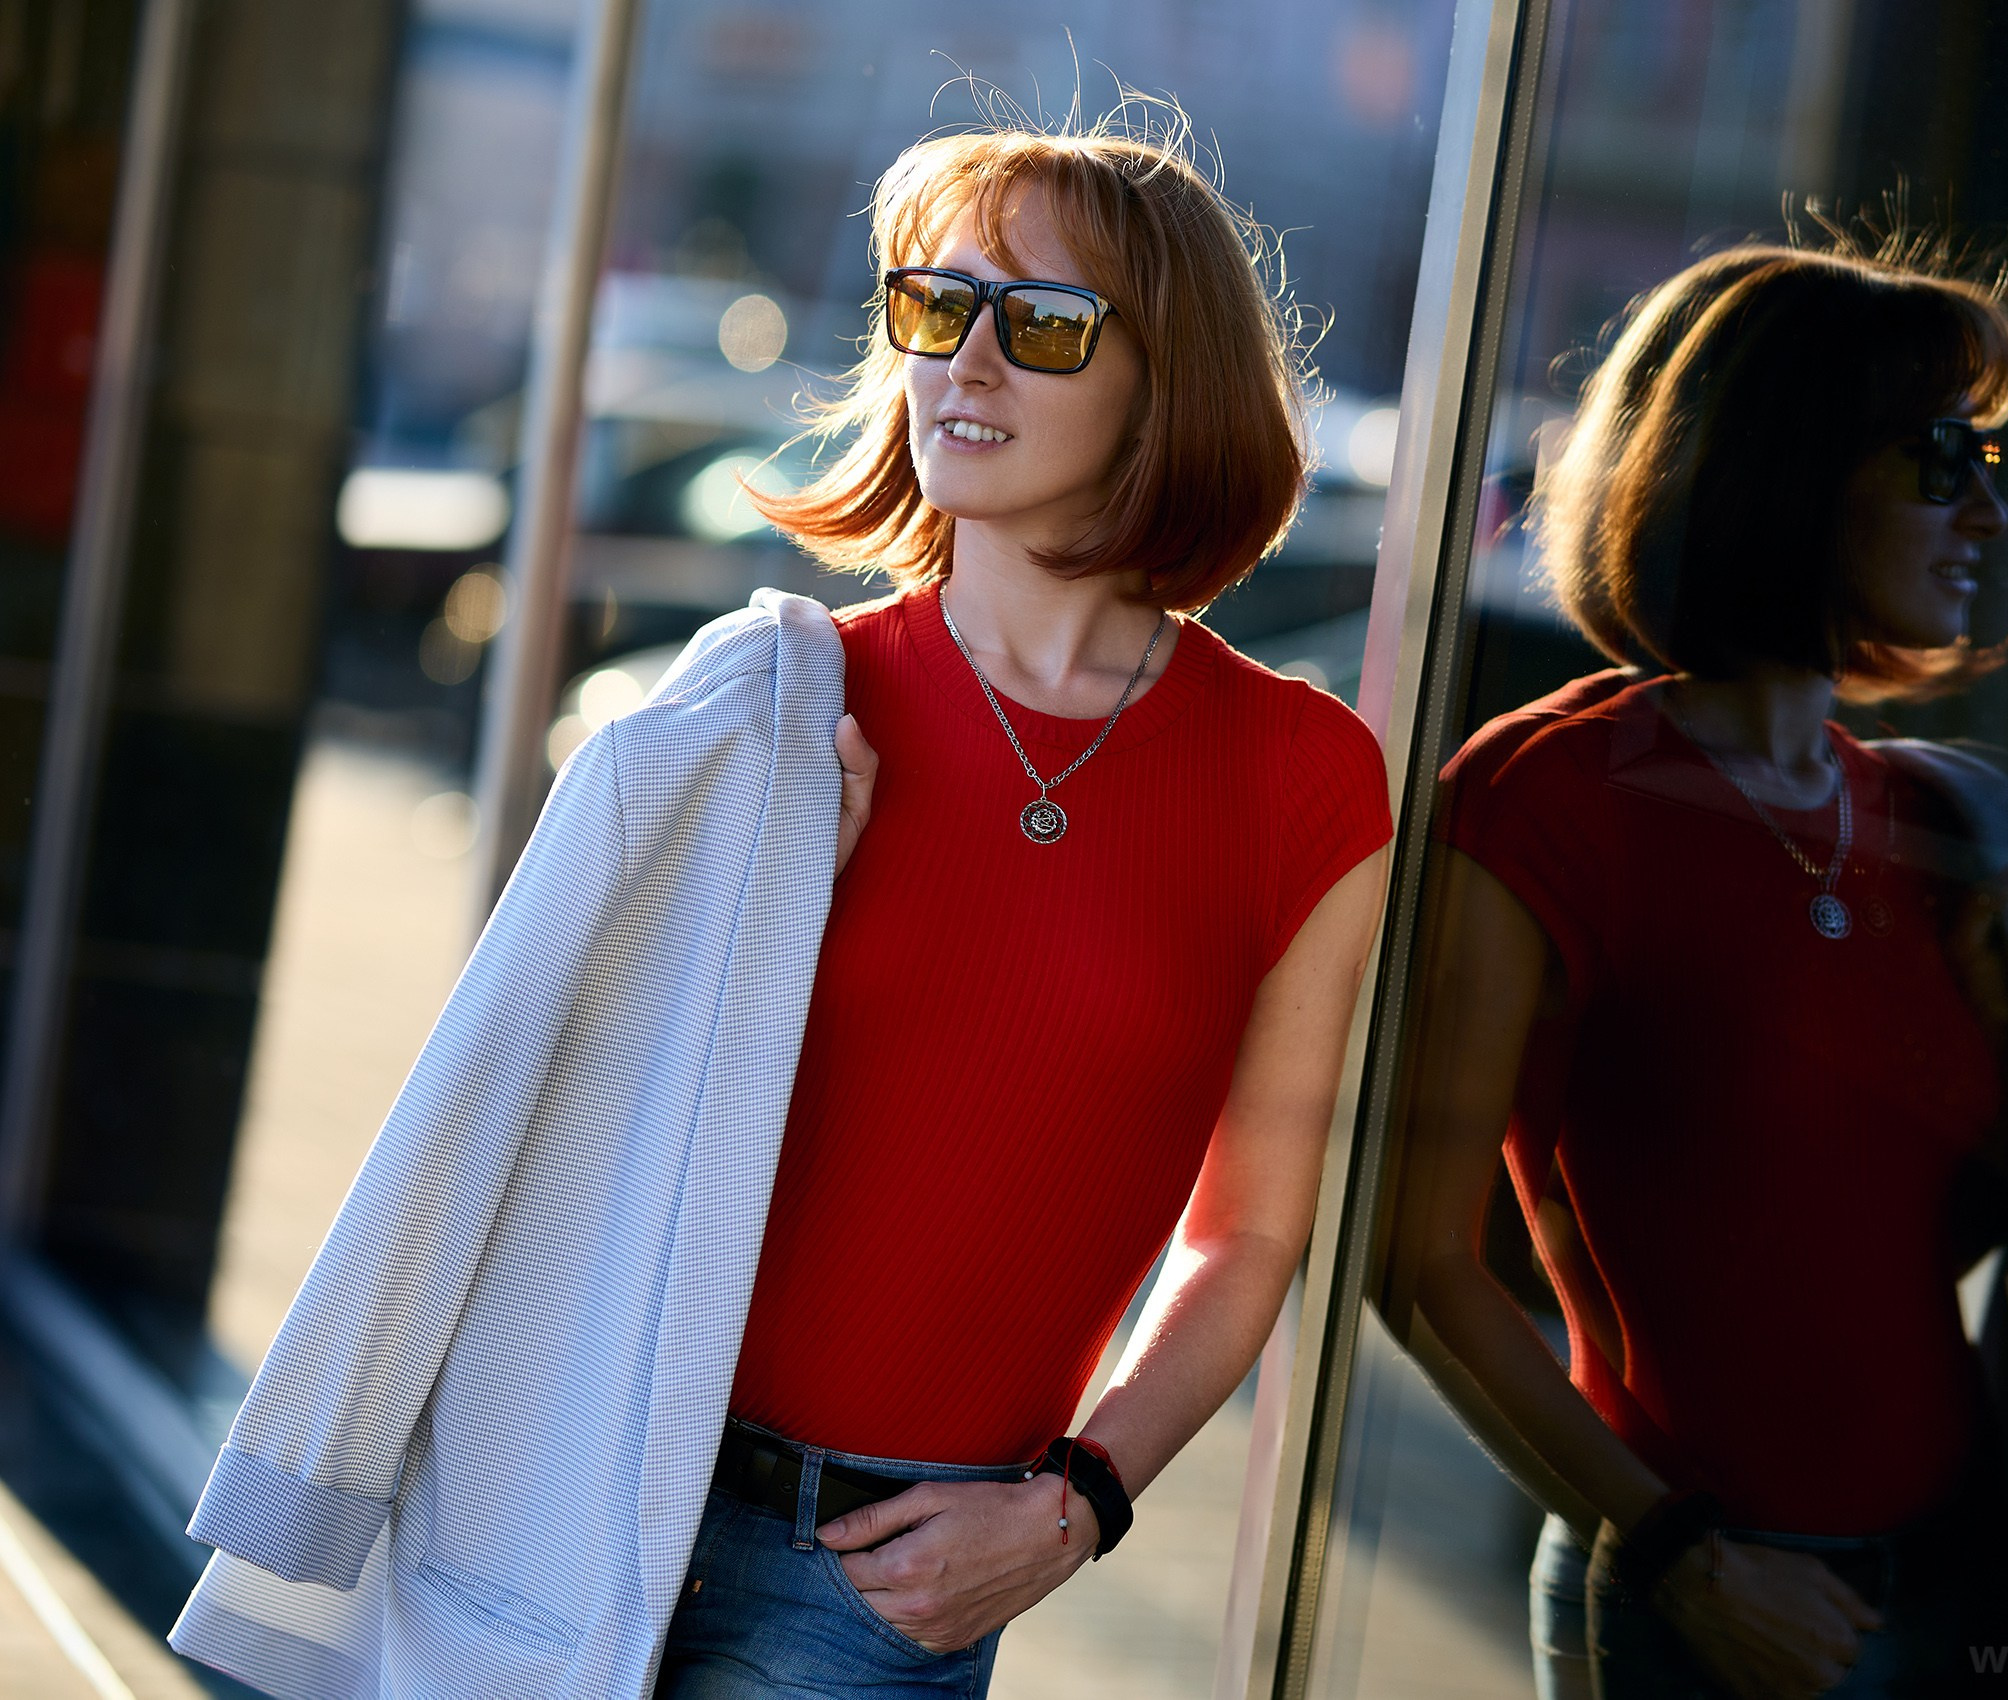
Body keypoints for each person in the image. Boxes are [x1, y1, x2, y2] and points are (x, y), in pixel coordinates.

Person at [171, 114, 1391, 1700]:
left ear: (1171, 383)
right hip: (569, 1497)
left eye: (1040, 324)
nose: (965, 363)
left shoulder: (1302, 774)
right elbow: (519, 1116)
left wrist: (1076, 1504)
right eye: (935, 308)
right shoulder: (770, 715)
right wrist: (751, 928)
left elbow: (1248, 1235)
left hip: (885, 1583)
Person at [1382, 241, 2008, 1699]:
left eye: (2000, 461)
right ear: (1787, 463)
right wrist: (1684, 1562)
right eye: (1944, 460)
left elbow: (1909, 1234)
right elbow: (1415, 1266)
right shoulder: (1550, 797)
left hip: (1963, 1581)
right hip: (1696, 1596)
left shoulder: (1943, 831)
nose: (1993, 510)